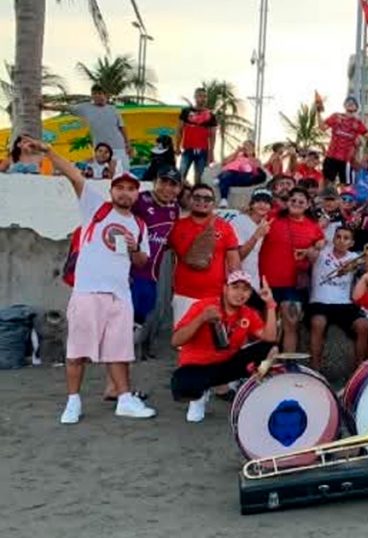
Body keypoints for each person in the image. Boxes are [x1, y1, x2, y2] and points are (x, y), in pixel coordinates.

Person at [33, 137, 155, 423]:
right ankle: (72, 402)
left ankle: (124, 399)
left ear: (137, 194)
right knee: (77, 351)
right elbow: (73, 175)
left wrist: (134, 247)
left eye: (130, 189)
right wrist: (50, 151)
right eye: (120, 187)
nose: (125, 193)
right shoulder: (96, 208)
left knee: (120, 350)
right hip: (88, 292)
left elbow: (141, 262)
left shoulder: (139, 225)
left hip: (119, 295)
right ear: (111, 189)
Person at [170, 271, 277, 422]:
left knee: (271, 349)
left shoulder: (248, 313)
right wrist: (201, 319)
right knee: (183, 387)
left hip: (226, 364)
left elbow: (270, 338)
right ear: (225, 288)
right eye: (235, 287)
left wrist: (270, 304)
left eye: (245, 289)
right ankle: (200, 395)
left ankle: (252, 390)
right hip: (197, 365)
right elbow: (175, 341)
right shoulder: (204, 306)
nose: (240, 293)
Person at [259, 188, 325, 352]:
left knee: (291, 323)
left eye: (301, 202)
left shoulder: (313, 227)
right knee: (267, 325)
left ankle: (289, 365)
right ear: (287, 202)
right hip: (268, 282)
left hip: (293, 284)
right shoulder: (272, 218)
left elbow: (318, 254)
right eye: (293, 200)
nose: (296, 204)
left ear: (308, 205)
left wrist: (309, 251)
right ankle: (264, 365)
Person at [167, 183, 241, 324]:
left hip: (214, 296)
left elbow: (234, 264)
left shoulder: (225, 227)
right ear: (190, 200)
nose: (202, 202)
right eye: (197, 197)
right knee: (183, 343)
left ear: (213, 203)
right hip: (183, 295)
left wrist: (234, 293)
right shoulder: (178, 226)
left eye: (207, 199)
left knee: (211, 343)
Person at [130, 166, 183, 362]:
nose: (167, 188)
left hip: (152, 274)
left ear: (179, 189)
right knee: (128, 315)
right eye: (163, 182)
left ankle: (135, 353)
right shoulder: (139, 200)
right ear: (155, 182)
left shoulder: (175, 209)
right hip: (130, 271)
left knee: (143, 314)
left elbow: (169, 240)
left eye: (173, 184)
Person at [309, 226, 368, 371]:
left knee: (363, 325)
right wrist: (315, 246)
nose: (341, 241)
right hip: (320, 301)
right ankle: (315, 366)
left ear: (351, 242)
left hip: (344, 304)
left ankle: (359, 367)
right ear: (333, 239)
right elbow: (310, 255)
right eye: (338, 237)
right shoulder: (322, 253)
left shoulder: (354, 258)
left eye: (346, 238)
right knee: (318, 322)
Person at [68, 85, 132, 169]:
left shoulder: (113, 109)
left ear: (106, 95)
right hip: (100, 149)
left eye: (100, 93)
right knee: (102, 175)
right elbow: (66, 108)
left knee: (122, 172)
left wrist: (128, 143)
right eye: (94, 94)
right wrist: (48, 106)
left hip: (118, 147)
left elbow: (122, 127)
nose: (97, 96)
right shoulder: (84, 108)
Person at [226, 188, 273, 298]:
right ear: (251, 204)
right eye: (258, 201)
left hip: (253, 284)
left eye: (266, 202)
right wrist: (256, 236)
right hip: (237, 283)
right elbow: (237, 257)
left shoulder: (263, 223)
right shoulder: (239, 221)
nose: (262, 205)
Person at [318, 96, 368, 185]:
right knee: (327, 183)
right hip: (331, 156)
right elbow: (322, 127)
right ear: (344, 105)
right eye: (348, 101)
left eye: (353, 102)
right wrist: (318, 112)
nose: (350, 102)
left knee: (346, 185)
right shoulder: (336, 116)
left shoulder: (358, 122)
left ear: (356, 108)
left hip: (346, 160)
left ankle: (345, 199)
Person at [216, 141, 266, 207]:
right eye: (244, 145)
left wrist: (249, 155)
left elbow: (256, 172)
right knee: (227, 175)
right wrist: (236, 152)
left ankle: (220, 179)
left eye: (248, 146)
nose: (245, 147)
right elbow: (224, 162)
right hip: (231, 175)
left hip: (244, 176)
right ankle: (224, 200)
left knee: (225, 177)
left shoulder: (255, 159)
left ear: (253, 149)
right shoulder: (237, 156)